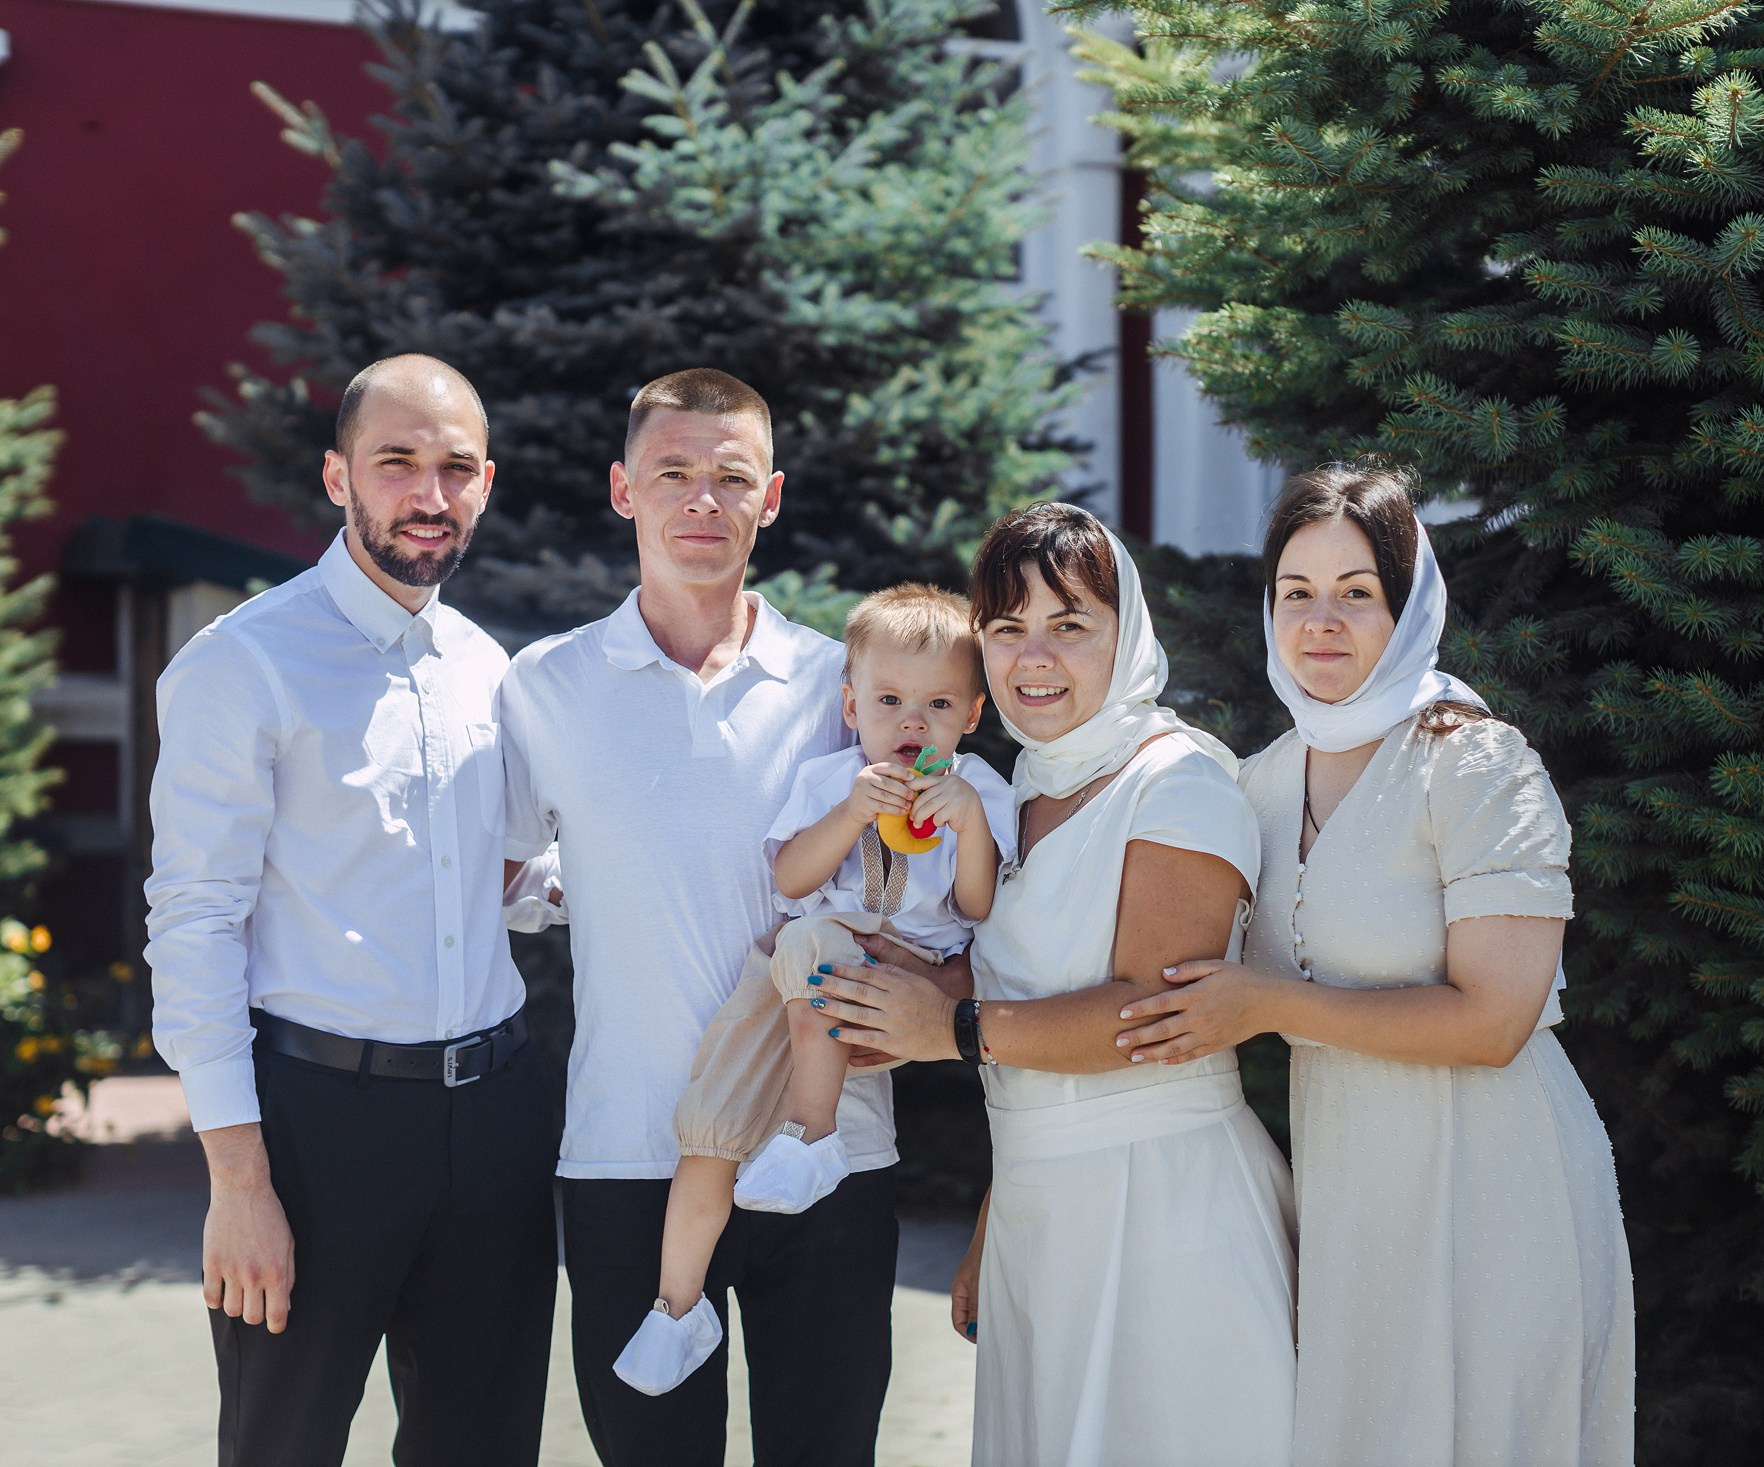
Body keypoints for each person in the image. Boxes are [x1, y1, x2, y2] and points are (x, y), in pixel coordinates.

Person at [1115, 460, 1635, 1464]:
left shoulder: (1476, 763)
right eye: (1296, 594)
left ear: (1407, 607)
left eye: (1357, 594)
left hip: (1500, 1195)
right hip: (1352, 1209)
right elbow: (1163, 983)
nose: (1322, 623)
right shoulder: (1252, 787)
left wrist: (1271, 1002)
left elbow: (1494, 1024)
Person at [498, 368, 935, 1466]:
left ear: (770, 496)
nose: (703, 500)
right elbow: (500, 874)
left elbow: (921, 878)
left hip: (825, 1149)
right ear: (622, 488)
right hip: (623, 1152)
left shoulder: (845, 685)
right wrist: (571, 884)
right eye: (674, 474)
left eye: (730, 477)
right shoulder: (543, 685)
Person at [808, 503, 1298, 1466]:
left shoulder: (1177, 780)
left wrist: (947, 1023)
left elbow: (1152, 1015)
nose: (1034, 656)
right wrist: (999, 1212)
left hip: (1161, 1212)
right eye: (1006, 628)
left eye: (1069, 625)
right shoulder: (1022, 788)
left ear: (1126, 635)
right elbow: (1030, 1020)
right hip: (1044, 1211)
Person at [145, 355, 561, 1467]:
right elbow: (193, 922)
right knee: (283, 1448)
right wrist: (239, 1182)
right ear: (338, 477)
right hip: (315, 1133)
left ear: (485, 484)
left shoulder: (489, 669)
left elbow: (506, 882)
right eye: (397, 463)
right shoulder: (243, 665)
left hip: (495, 1122)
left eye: (455, 468)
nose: (429, 494)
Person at [613, 583, 1017, 1395]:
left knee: (813, 942)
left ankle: (814, 1130)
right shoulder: (832, 776)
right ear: (851, 703)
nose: (912, 722)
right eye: (890, 700)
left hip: (890, 983)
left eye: (938, 703)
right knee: (710, 1129)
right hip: (795, 978)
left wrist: (968, 817)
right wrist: (849, 811)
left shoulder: (977, 788)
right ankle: (676, 1309)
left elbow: (977, 905)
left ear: (972, 712)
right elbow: (792, 874)